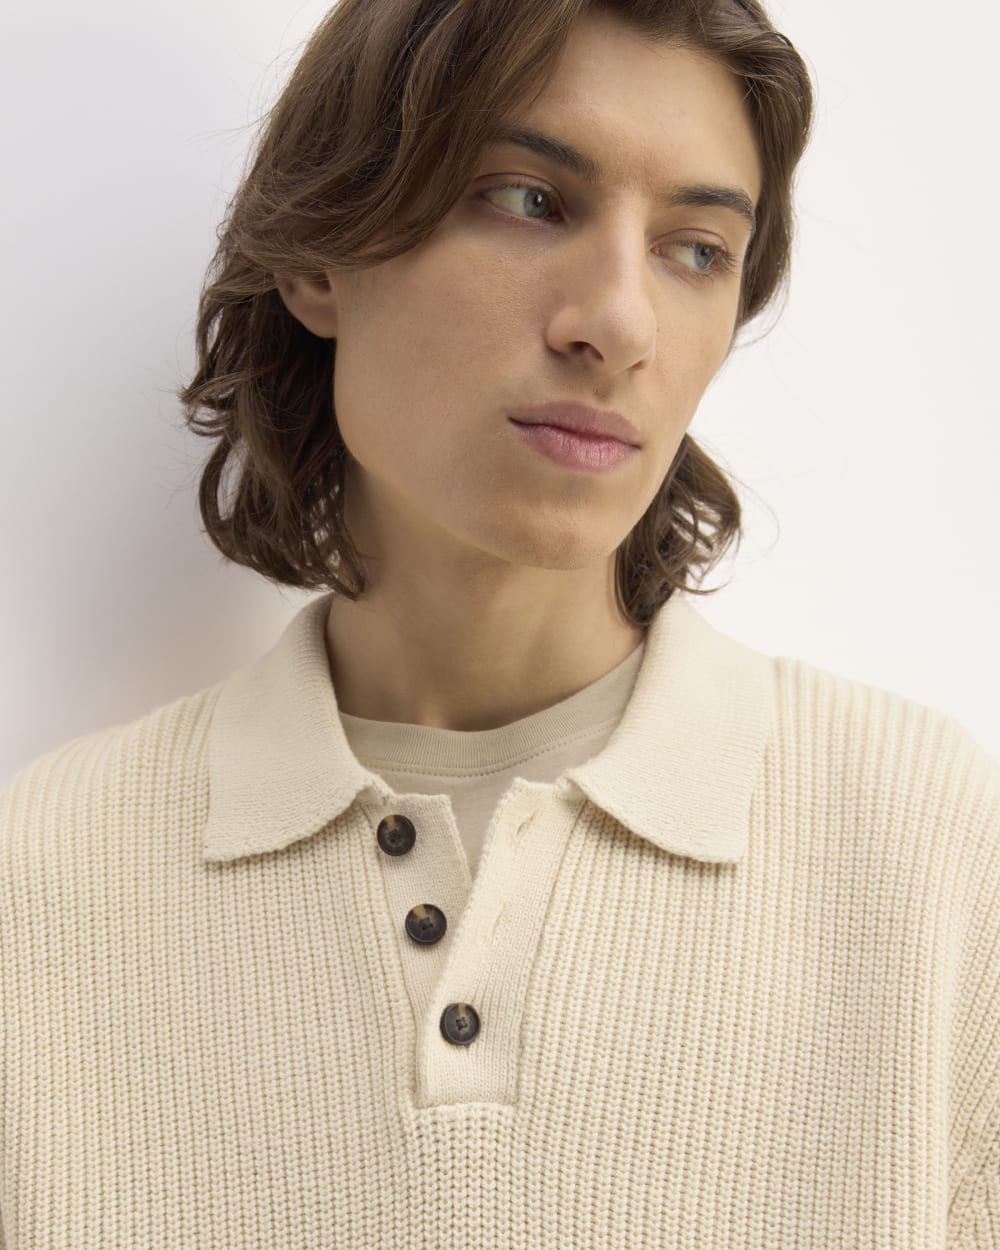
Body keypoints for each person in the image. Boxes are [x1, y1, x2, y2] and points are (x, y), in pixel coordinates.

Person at [1, 0, 997, 1245]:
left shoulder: (927, 854)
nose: (618, 324)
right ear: (319, 255)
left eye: (696, 249)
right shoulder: (46, 884)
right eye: (528, 199)